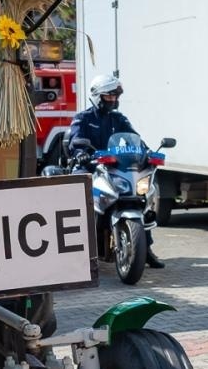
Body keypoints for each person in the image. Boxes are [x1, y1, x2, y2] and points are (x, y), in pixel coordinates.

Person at [68, 74, 164, 268]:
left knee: (139, 198)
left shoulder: (118, 119)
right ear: (97, 96)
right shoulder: (83, 119)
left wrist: (146, 152)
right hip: (90, 167)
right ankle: (79, 250)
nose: (113, 100)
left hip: (113, 169)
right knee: (78, 192)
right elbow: (74, 141)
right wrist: (81, 153)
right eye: (108, 96)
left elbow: (134, 138)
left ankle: (145, 250)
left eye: (115, 96)